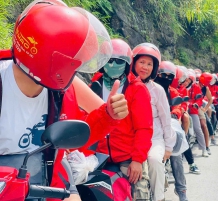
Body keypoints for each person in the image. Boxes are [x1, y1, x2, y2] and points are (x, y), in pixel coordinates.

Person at [0, 1, 128, 201]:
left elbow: (76, 133)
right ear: (55, 62)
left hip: (45, 182)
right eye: (73, 62)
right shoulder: (4, 82)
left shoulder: (60, 93)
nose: (75, 69)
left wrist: (108, 115)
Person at [91, 40, 153, 200]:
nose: (113, 65)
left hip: (128, 157)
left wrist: (138, 160)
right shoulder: (95, 85)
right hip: (98, 155)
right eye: (109, 60)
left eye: (119, 61)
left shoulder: (137, 89)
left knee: (140, 193)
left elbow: (144, 128)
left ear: (127, 64)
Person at [132, 48, 176, 201]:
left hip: (154, 139)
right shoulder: (126, 86)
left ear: (154, 68)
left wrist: (169, 147)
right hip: (130, 138)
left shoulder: (157, 90)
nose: (145, 67)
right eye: (142, 62)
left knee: (154, 161)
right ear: (133, 63)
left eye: (149, 64)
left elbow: (166, 119)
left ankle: (159, 197)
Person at [154, 61, 189, 201]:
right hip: (149, 127)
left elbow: (178, 106)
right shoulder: (149, 88)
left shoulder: (173, 92)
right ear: (157, 74)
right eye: (163, 75)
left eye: (170, 76)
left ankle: (181, 190)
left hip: (167, 126)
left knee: (176, 155)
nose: (166, 78)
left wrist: (174, 113)